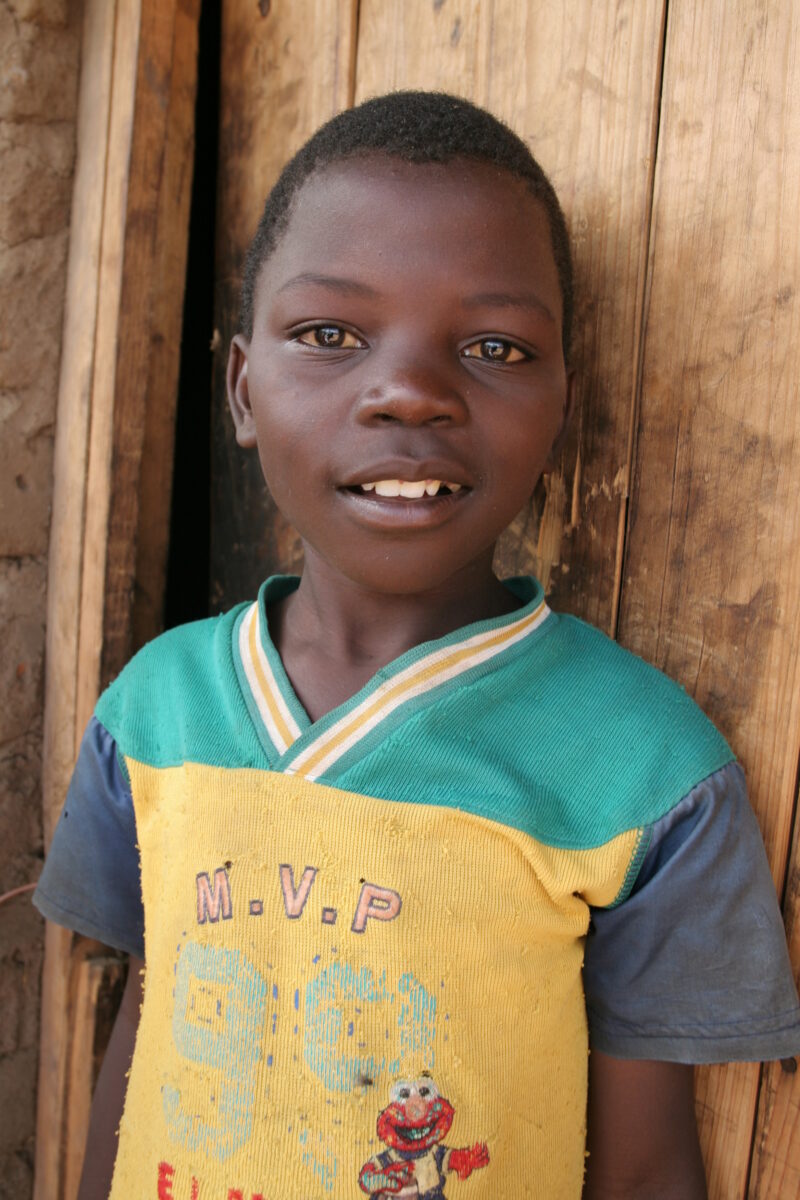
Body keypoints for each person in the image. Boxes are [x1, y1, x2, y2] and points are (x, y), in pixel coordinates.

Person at [35, 91, 800, 1200]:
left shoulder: (645, 772)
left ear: (556, 405)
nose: (408, 392)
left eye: (492, 346)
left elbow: (642, 1169)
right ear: (244, 391)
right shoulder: (153, 709)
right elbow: (149, 1026)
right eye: (330, 335)